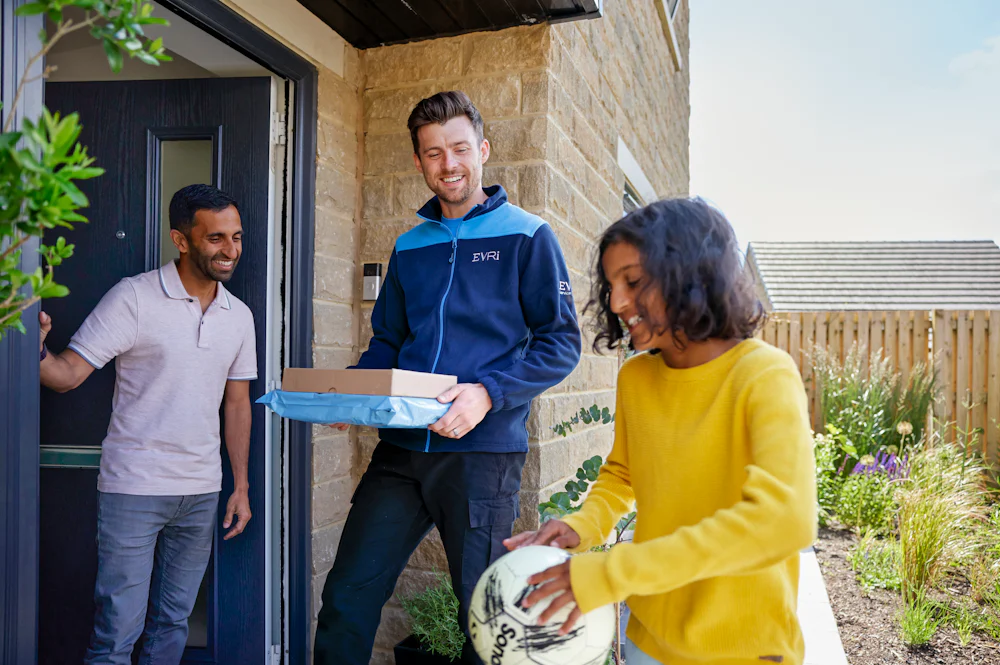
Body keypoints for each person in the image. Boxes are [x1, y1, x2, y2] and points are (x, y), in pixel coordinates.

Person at [313, 91, 581, 665]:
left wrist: (489, 393)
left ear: (482, 150)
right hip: (402, 450)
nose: (448, 164)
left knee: (483, 613)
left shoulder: (529, 236)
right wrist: (353, 397)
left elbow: (562, 343)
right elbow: (387, 340)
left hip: (482, 455)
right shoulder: (410, 246)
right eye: (433, 153)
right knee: (347, 595)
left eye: (459, 148)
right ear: (419, 161)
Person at [505, 198, 817, 665]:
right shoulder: (637, 377)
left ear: (690, 273)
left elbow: (783, 520)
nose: (616, 302)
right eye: (610, 286)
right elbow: (621, 476)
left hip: (744, 650)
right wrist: (581, 527)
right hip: (647, 642)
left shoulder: (763, 375)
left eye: (632, 281)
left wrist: (610, 572)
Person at [39, 184, 257, 665]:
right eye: (217, 238)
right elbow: (66, 375)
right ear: (181, 241)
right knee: (117, 632)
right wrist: (32, 346)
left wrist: (239, 485)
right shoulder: (134, 298)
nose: (231, 250)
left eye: (236, 237)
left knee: (172, 625)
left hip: (201, 492)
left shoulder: (238, 316)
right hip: (134, 489)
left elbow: (237, 404)